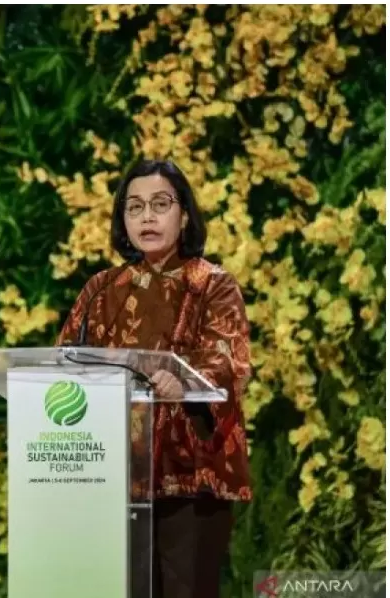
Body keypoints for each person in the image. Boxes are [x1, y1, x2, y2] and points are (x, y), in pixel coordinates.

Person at [55, 159, 253, 598]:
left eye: (160, 204)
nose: (147, 216)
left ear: (183, 216)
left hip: (193, 474)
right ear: (122, 221)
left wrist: (183, 383)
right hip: (113, 475)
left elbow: (228, 359)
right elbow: (65, 364)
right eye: (135, 207)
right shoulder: (101, 290)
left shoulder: (213, 285)